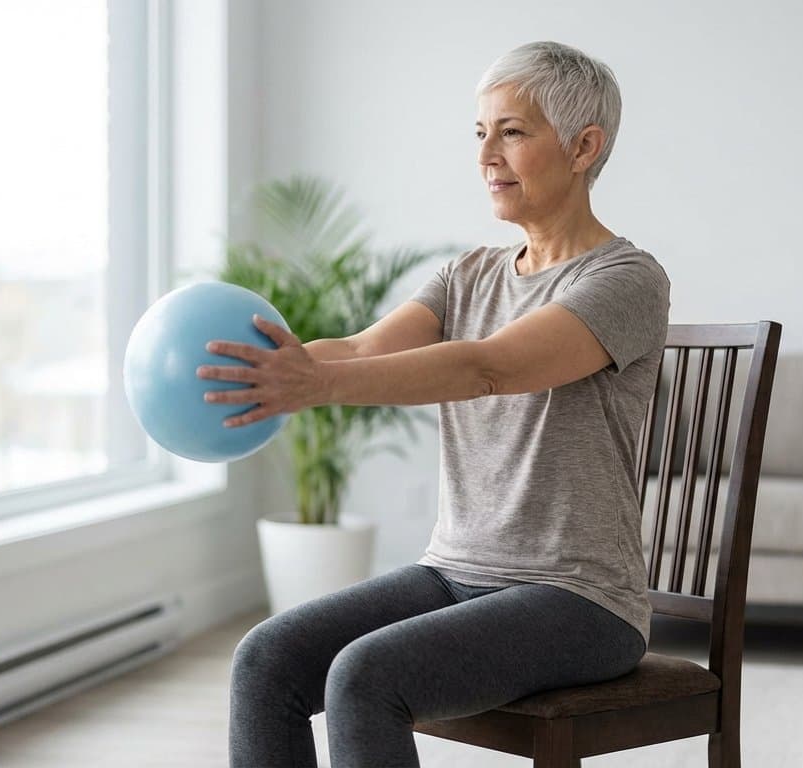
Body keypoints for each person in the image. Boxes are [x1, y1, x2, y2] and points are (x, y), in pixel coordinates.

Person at [203, 40, 672, 768]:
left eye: (513, 132)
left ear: (584, 146)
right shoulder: (467, 275)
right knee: (267, 661)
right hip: (454, 573)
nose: (488, 155)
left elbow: (492, 368)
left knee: (365, 676)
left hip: (580, 601)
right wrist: (271, 369)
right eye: (481, 133)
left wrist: (315, 386)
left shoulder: (628, 279)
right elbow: (362, 352)